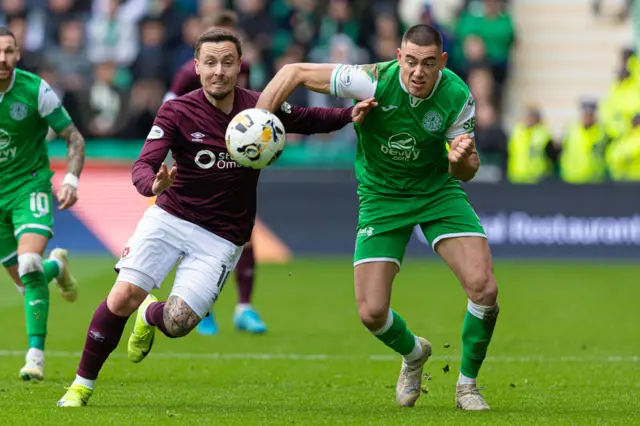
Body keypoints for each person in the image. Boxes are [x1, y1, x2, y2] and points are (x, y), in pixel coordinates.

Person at [57, 28, 375, 408]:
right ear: (196, 66)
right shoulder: (177, 110)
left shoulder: (260, 107)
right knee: (123, 295)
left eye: (227, 62)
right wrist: (152, 184)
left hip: (222, 236)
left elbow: (307, 117)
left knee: (178, 323)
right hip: (171, 217)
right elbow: (143, 164)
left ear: (239, 66)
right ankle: (81, 386)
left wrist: (347, 114)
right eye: (210, 63)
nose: (218, 71)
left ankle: (151, 314)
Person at [255, 24, 499, 411]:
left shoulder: (457, 97)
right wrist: (257, 121)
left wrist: (462, 160)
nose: (418, 72)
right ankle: (415, 353)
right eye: (411, 62)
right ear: (399, 57)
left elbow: (465, 172)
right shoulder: (371, 80)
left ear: (443, 62)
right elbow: (292, 73)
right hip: (381, 198)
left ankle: (467, 386)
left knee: (484, 287)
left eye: (429, 64)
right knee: (371, 313)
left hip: (437, 192)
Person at [163, 10, 259, 335]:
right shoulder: (188, 73)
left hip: (239, 159)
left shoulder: (244, 69)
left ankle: (244, 307)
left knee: (244, 235)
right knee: (199, 233)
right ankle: (204, 309)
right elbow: (170, 109)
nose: (221, 66)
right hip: (200, 161)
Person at [0, 27, 85, 381]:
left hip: (29, 185)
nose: (1, 59)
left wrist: (70, 180)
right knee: (27, 281)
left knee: (30, 262)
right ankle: (58, 268)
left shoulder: (35, 90)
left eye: (8, 52)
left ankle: (35, 355)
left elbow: (73, 137)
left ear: (18, 55)